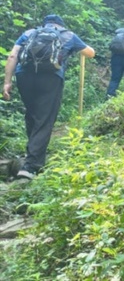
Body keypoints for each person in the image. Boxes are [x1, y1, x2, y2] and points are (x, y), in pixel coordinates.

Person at [2, 14, 95, 180]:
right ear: (60, 24)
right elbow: (90, 53)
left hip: (24, 76)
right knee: (44, 118)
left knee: (32, 113)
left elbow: (12, 56)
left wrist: (7, 82)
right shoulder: (68, 35)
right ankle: (31, 166)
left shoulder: (30, 33)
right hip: (51, 78)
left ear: (44, 24)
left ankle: (32, 152)